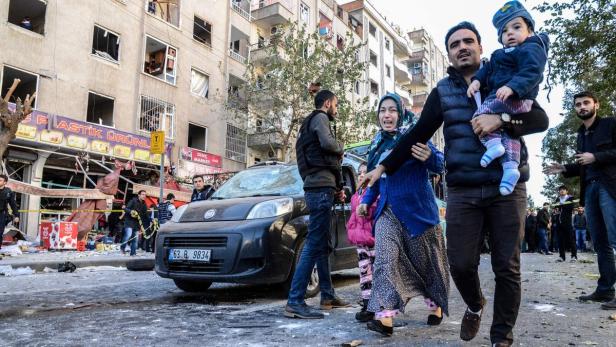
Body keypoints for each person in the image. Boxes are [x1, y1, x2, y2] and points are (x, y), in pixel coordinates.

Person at [359, 20, 548, 345]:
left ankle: (501, 337)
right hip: (463, 190)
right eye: (455, 44)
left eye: (468, 41)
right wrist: (383, 168)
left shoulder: (504, 76)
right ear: (449, 53)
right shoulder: (442, 92)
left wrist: (501, 119)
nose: (462, 47)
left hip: (507, 185)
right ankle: (474, 304)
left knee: (507, 266)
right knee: (460, 264)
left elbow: (539, 119)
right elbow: (415, 135)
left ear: (480, 47)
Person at [358, 93, 448, 337]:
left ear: (400, 113)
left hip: (418, 212)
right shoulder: (376, 144)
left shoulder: (414, 136)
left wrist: (430, 158)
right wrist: (366, 201)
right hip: (387, 211)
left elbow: (439, 164)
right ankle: (385, 317)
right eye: (382, 110)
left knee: (427, 265)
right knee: (385, 260)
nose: (387, 115)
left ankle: (435, 305)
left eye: (392, 110)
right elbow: (375, 181)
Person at [466, 1, 549, 196]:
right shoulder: (499, 54)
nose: (510, 33)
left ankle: (493, 145)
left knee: (480, 114)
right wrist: (477, 81)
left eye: (516, 27)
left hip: (517, 98)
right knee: (510, 136)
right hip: (508, 101)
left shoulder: (531, 48)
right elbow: (487, 70)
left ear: (530, 30)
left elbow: (532, 71)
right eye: (504, 31)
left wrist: (512, 86)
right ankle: (511, 168)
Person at [544, 90, 616, 310]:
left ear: (597, 104)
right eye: (578, 104)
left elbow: (602, 157)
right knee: (601, 243)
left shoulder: (610, 124)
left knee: (614, 238)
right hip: (590, 189)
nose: (582, 107)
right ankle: (605, 290)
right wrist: (564, 168)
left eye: (586, 103)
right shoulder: (580, 135)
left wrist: (596, 156)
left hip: (609, 187)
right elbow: (584, 164)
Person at [284, 89, 349, 319]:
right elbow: (329, 144)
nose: (336, 109)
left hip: (319, 188)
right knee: (313, 243)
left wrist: (337, 189)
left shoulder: (305, 126)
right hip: (320, 190)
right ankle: (295, 301)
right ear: (328, 103)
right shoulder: (320, 118)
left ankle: (328, 296)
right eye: (336, 104)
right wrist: (341, 147)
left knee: (321, 244)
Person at [346, 162, 377, 322]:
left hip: (373, 240)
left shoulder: (376, 193)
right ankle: (367, 305)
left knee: (377, 273)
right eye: (359, 172)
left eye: (365, 172)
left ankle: (378, 305)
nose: (361, 175)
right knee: (365, 274)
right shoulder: (355, 195)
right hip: (361, 240)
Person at [553, 185, 577, 262]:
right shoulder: (557, 199)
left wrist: (560, 206)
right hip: (558, 223)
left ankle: (574, 256)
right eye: (560, 190)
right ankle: (561, 256)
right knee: (560, 240)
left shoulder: (570, 198)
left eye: (563, 189)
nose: (562, 191)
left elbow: (570, 207)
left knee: (571, 239)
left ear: (566, 191)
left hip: (567, 222)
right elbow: (555, 208)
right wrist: (558, 207)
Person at [123, 190, 150, 256]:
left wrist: (152, 220)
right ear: (139, 195)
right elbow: (125, 208)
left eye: (145, 195)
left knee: (135, 239)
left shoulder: (144, 204)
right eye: (143, 194)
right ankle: (122, 247)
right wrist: (132, 212)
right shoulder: (133, 201)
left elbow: (146, 214)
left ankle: (133, 253)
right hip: (129, 222)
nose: (144, 196)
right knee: (128, 235)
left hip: (137, 223)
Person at [0, 174, 19, 250]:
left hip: (2, 214)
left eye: (0, 180)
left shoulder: (8, 192)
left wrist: (16, 215)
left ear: (5, 182)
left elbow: (13, 204)